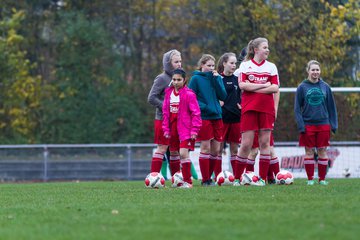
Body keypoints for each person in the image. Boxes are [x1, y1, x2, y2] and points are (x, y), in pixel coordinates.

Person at [236, 37, 280, 186]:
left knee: (264, 143)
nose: (267, 50)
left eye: (268, 47)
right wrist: (263, 86)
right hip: (249, 108)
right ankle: (237, 178)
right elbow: (242, 85)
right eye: (265, 47)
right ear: (256, 50)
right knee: (246, 144)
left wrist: (253, 85)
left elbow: (275, 88)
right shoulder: (245, 66)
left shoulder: (271, 67)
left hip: (266, 109)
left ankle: (262, 179)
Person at [294, 60, 338, 185]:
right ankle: (310, 179)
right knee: (309, 152)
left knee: (322, 151)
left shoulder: (325, 87)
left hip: (323, 124)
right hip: (308, 125)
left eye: (317, 70)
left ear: (320, 71)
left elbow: (332, 108)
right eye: (313, 70)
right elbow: (297, 109)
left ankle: (322, 179)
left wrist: (334, 125)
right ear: (308, 71)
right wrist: (301, 125)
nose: (315, 72)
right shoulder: (302, 87)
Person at [188, 54, 227, 186]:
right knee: (205, 148)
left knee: (216, 150)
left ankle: (209, 178)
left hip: (217, 117)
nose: (211, 68)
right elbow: (190, 98)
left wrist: (217, 80)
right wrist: (205, 107)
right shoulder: (195, 79)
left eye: (212, 66)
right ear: (202, 66)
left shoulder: (216, 78)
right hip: (204, 117)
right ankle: (205, 180)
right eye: (208, 65)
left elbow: (223, 95)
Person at [162, 69, 202, 188]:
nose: (176, 82)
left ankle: (188, 182)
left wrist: (194, 129)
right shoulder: (168, 93)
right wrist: (166, 129)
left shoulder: (189, 94)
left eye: (179, 80)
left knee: (183, 153)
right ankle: (176, 180)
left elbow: (196, 113)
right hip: (173, 127)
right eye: (174, 79)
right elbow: (165, 112)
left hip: (186, 129)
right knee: (173, 153)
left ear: (184, 80)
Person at [148, 49, 182, 175]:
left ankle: (176, 179)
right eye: (176, 62)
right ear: (168, 63)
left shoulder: (180, 79)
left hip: (176, 120)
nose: (179, 64)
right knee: (162, 148)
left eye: (180, 61)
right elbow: (151, 98)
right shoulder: (162, 78)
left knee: (174, 150)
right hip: (163, 119)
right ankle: (154, 177)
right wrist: (166, 107)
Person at [216, 53, 242, 183]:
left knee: (235, 149)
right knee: (218, 149)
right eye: (231, 63)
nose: (234, 66)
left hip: (236, 118)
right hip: (222, 118)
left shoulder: (237, 79)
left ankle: (236, 178)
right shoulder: (217, 79)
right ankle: (218, 177)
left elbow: (241, 96)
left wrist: (241, 104)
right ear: (224, 63)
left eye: (235, 63)